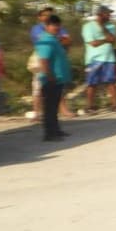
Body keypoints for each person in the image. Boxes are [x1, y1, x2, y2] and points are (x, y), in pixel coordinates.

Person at [30, 6, 75, 121]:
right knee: (39, 87)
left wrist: (59, 40)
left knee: (58, 89)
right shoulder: (37, 29)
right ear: (39, 17)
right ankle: (37, 113)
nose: (47, 16)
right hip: (42, 59)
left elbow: (68, 40)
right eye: (45, 14)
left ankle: (61, 112)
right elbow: (47, 44)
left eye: (49, 14)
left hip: (56, 59)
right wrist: (59, 40)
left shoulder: (58, 27)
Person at [34, 13, 72, 141]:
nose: (56, 27)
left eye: (58, 25)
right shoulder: (46, 41)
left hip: (58, 78)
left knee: (54, 107)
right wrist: (50, 76)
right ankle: (49, 134)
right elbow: (44, 61)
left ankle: (56, 130)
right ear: (47, 26)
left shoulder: (54, 39)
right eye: (53, 25)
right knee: (49, 108)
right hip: (50, 79)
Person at [82, 4, 116, 112]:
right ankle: (89, 106)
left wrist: (103, 27)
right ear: (101, 14)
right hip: (94, 59)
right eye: (107, 14)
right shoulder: (88, 26)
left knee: (111, 82)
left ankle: (115, 105)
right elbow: (93, 43)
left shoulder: (111, 26)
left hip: (109, 58)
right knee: (92, 83)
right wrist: (105, 40)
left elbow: (112, 40)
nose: (109, 16)